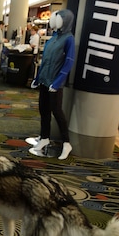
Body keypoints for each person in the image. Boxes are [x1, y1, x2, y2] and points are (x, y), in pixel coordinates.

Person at [28, 10, 75, 160]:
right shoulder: (54, 37)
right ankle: (44, 137)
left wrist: (58, 82)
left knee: (57, 112)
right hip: (45, 80)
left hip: (55, 83)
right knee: (44, 110)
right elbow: (45, 59)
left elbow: (68, 63)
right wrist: (37, 77)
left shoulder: (68, 39)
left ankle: (67, 143)